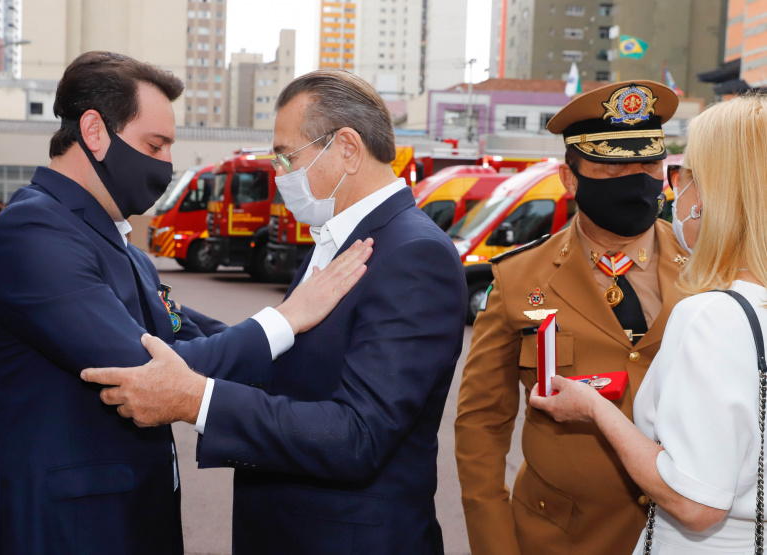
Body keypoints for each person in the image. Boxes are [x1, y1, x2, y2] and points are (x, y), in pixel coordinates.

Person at [0, 51, 371, 554]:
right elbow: (146, 372)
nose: (165, 164)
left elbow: (194, 338)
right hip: (67, 530)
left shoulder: (118, 245)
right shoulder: (33, 232)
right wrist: (286, 318)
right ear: (94, 132)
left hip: (128, 518)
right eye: (154, 145)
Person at [82, 69, 468, 554]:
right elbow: (298, 363)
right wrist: (165, 316)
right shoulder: (338, 237)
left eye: (288, 156)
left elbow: (359, 435)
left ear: (347, 148)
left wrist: (197, 398)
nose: (280, 173)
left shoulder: (413, 255)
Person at [454, 80, 688, 555]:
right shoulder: (519, 277)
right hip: (555, 537)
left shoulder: (706, 269)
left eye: (648, 163)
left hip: (682, 533)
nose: (636, 179)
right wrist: (496, 545)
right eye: (613, 166)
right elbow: (481, 424)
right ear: (570, 177)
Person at [530, 94, 767, 554]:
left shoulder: (712, 313)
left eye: (682, 175)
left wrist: (596, 410)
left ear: (713, 196)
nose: (674, 191)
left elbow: (696, 503)